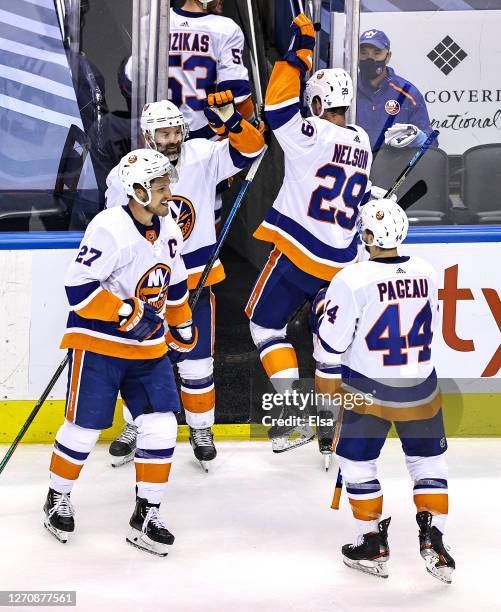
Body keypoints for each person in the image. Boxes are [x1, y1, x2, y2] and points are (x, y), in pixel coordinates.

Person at [43, 149, 198, 556]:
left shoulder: (170, 229)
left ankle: (146, 513)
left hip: (147, 350)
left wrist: (181, 323)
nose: (169, 191)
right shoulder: (108, 227)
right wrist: (127, 311)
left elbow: (175, 286)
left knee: (162, 425)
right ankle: (56, 496)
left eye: (168, 183)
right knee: (84, 429)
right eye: (161, 186)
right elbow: (78, 290)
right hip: (99, 345)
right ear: (138, 190)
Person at [105, 95, 265, 469]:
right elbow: (116, 228)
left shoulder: (203, 155)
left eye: (176, 130)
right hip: (148, 285)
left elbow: (254, 149)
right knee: (143, 359)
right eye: (163, 132)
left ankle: (200, 428)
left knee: (197, 362)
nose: (172, 138)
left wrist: (233, 121)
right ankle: (136, 426)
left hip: (196, 278)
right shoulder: (123, 173)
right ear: (148, 136)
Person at [245, 14, 377, 453]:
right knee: (327, 344)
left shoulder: (312, 133)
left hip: (299, 254)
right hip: (341, 262)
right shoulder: (360, 141)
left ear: (318, 104)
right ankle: (331, 429)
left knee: (264, 325)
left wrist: (298, 53)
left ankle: (295, 420)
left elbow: (278, 106)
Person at [312, 198, 455, 583]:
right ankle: (434, 538)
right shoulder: (427, 271)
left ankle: (371, 540)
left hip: (367, 387)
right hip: (421, 385)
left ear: (369, 236)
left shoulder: (351, 277)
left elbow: (333, 343)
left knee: (358, 463)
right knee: (427, 462)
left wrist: (321, 318)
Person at [170, 0, 258, 227]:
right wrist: (251, 124)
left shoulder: (156, 23)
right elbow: (237, 97)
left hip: (160, 138)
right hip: (206, 140)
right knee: (202, 219)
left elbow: (131, 79)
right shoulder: (225, 28)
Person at [356, 29, 435, 152]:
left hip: (393, 168)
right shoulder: (346, 89)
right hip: (353, 168)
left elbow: (431, 143)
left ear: (388, 57)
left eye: (377, 53)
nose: (370, 59)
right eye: (364, 53)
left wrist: (419, 139)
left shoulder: (408, 93)